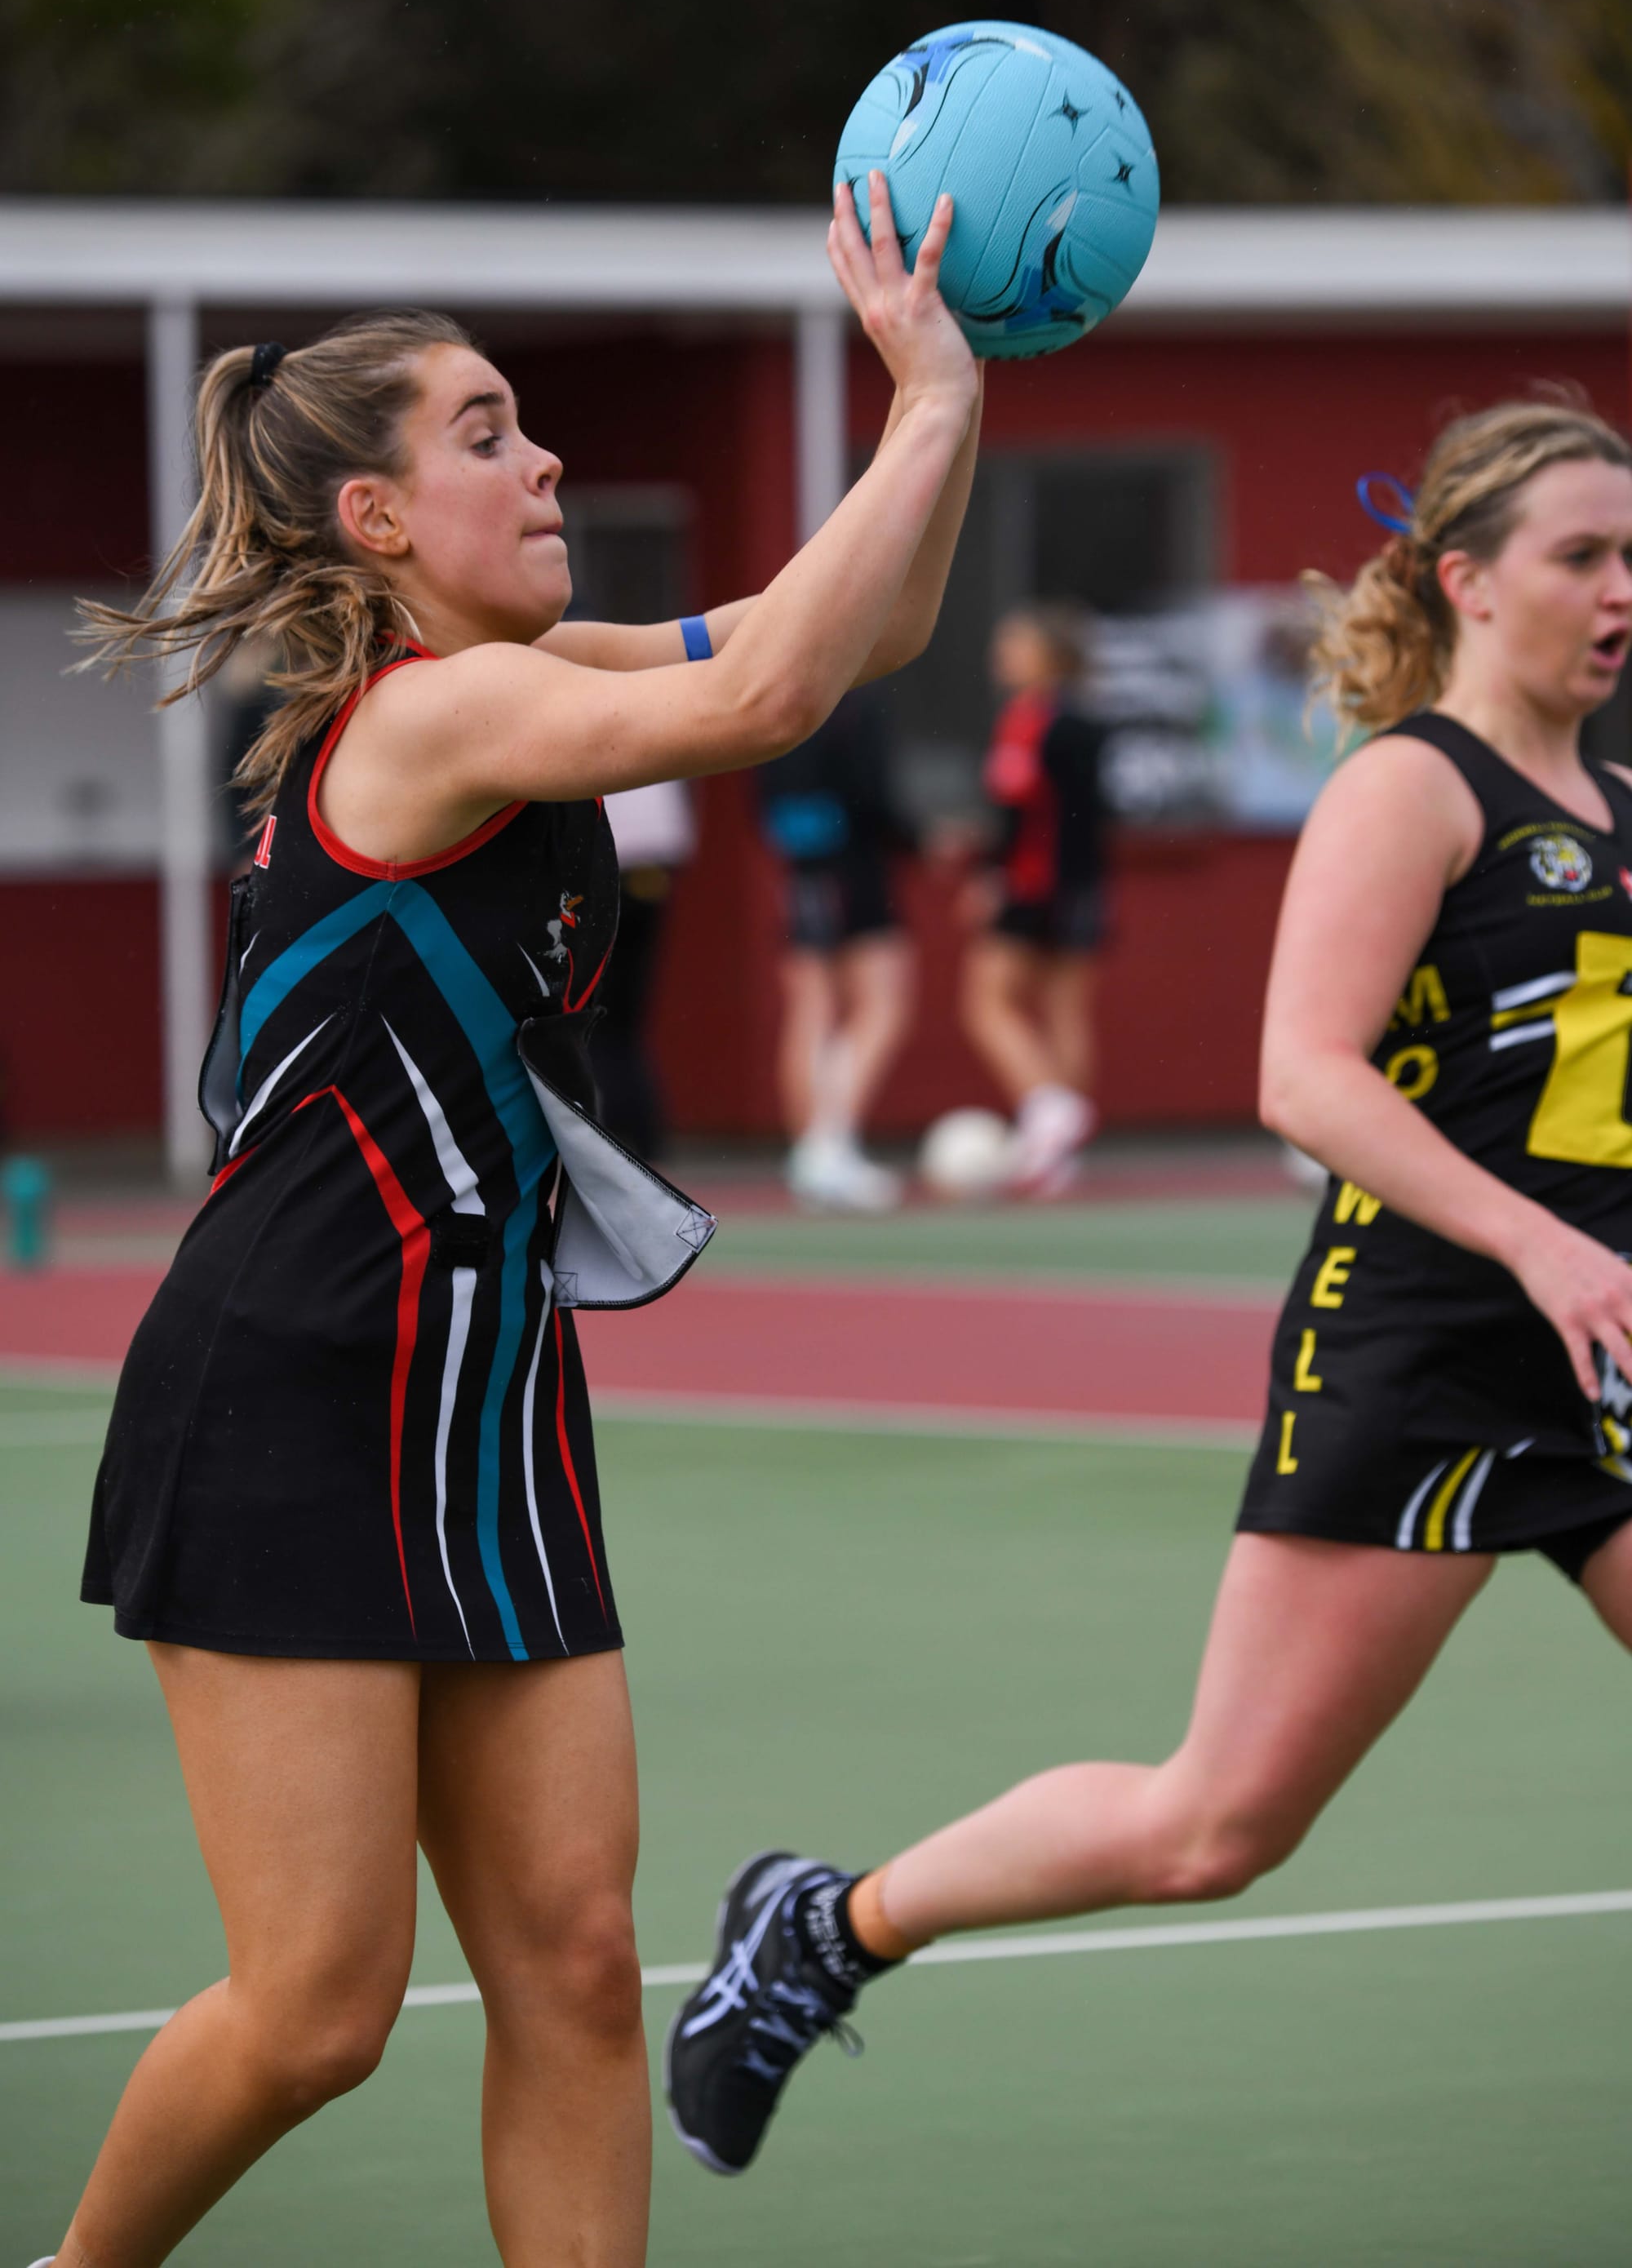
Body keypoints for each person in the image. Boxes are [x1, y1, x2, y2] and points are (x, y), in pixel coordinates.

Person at [42, 172, 980, 2268]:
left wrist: (952, 393)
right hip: (291, 1383)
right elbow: (754, 709)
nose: (540, 453)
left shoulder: (536, 661)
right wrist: (910, 402)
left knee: (568, 1959)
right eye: (483, 431)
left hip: (488, 1404)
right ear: (374, 523)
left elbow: (846, 638)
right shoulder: (434, 711)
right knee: (316, 2013)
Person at [664, 397, 1632, 2181]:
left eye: (1628, 556)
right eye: (1580, 555)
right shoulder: (1410, 787)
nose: (1616, 590)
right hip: (1423, 1351)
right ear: (1467, 582)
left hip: (1598, 1359)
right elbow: (1304, 1080)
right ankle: (829, 1922)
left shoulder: (1620, 812)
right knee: (1213, 1827)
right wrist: (1538, 1239)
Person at [959, 601, 1107, 1193]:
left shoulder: (1036, 719)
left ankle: (1050, 1110)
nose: (1002, 654)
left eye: (1015, 643)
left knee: (986, 1003)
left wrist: (996, 875)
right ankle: (1058, 1151)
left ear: (1048, 655)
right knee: (1063, 1008)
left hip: (1035, 884)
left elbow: (1027, 812)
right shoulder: (1082, 721)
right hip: (1081, 883)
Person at [757, 685, 916, 1209]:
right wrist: (919, 839)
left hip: (802, 866)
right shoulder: (850, 703)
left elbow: (760, 796)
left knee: (811, 1005)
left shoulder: (777, 695)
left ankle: (814, 1151)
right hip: (852, 866)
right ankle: (828, 1144)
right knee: (881, 1003)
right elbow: (872, 796)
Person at [595, 778, 696, 1161]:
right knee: (615, 1017)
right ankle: (637, 1132)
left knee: (607, 1015)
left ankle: (627, 1131)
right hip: (644, 869)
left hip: (619, 869)